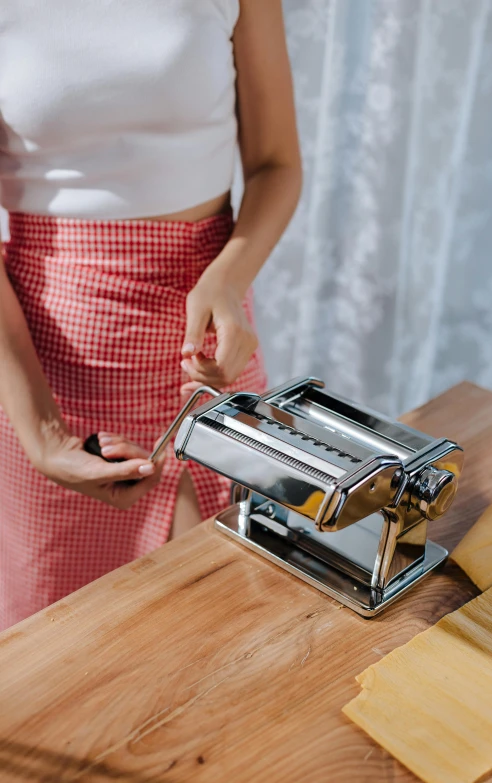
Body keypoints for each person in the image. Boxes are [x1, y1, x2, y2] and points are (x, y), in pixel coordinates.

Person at [0, 0, 301, 630]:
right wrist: (43, 433)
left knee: (232, 627)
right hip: (43, 363)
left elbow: (276, 164)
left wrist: (229, 276)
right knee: (63, 652)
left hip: (213, 346)